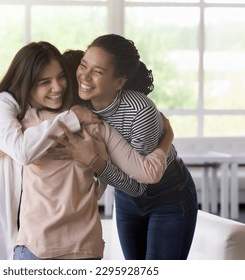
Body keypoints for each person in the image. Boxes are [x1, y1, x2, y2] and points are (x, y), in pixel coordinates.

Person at [0, 44, 174, 260]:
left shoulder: (27, 122)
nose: (57, 87)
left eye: (61, 77)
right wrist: (167, 138)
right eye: (45, 82)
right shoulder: (18, 117)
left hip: (34, 245)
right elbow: (135, 178)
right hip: (69, 244)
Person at [55, 34, 198, 260]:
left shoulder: (139, 112)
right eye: (84, 65)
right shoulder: (79, 102)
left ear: (119, 82)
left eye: (98, 72)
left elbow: (140, 186)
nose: (85, 76)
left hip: (167, 193)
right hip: (124, 196)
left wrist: (95, 162)